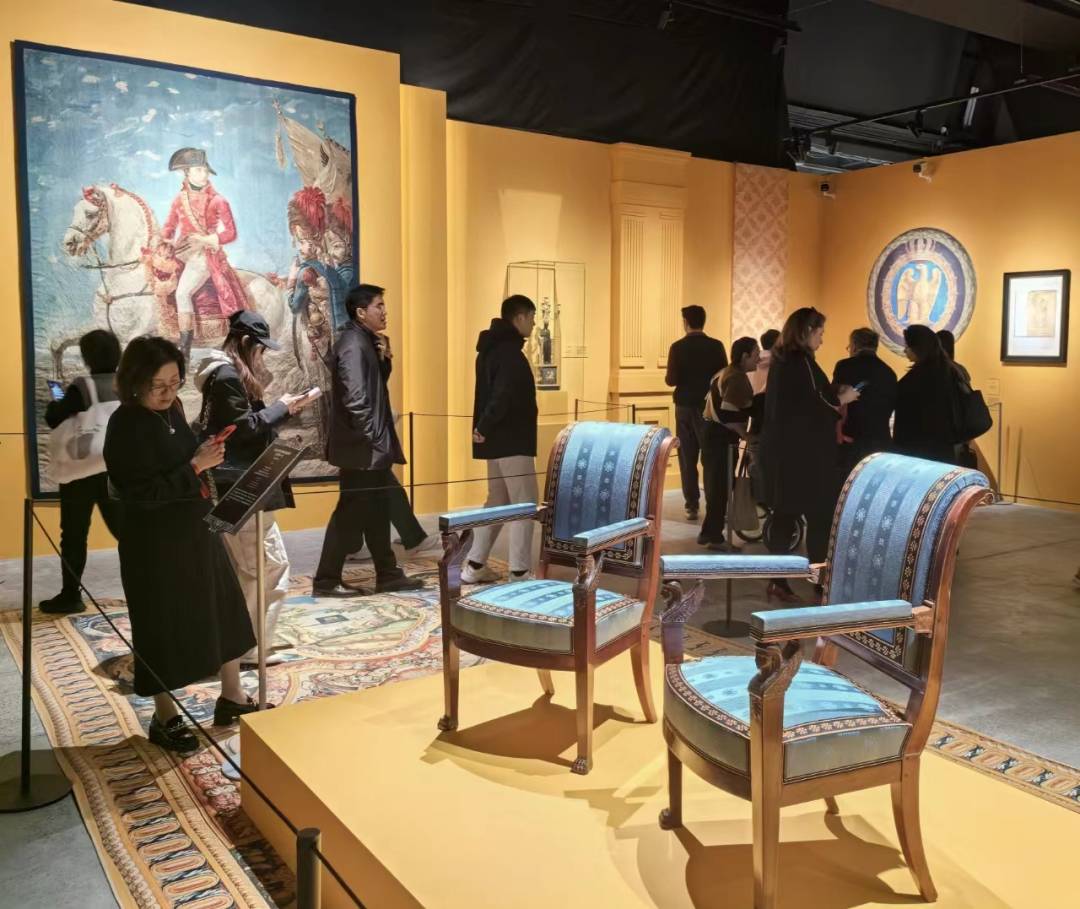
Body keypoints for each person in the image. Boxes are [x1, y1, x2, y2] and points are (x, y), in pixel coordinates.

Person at [103, 336, 261, 754]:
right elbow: (139, 493)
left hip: (195, 529)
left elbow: (184, 458)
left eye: (175, 383)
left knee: (224, 608)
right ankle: (164, 716)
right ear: (135, 381)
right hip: (153, 543)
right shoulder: (125, 424)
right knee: (162, 625)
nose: (168, 393)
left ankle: (232, 696)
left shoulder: (171, 410)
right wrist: (195, 465)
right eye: (158, 385)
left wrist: (204, 452)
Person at [195, 311, 318, 667]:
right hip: (242, 487)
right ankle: (248, 646)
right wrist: (282, 407)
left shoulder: (223, 375)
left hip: (241, 486)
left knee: (258, 567)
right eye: (260, 348)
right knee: (263, 568)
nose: (262, 356)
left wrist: (284, 409)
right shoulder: (227, 376)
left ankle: (250, 641)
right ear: (247, 342)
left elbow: (244, 426)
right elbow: (242, 429)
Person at [313, 284, 424, 596]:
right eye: (379, 306)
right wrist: (374, 437)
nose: (384, 311)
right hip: (361, 448)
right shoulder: (353, 344)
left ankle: (388, 574)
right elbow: (356, 397)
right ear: (361, 312)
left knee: (376, 509)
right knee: (350, 512)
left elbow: (373, 386)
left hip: (366, 447)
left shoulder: (364, 341)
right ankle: (326, 580)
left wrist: (384, 360)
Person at [760, 308, 859, 603]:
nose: (822, 340)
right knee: (819, 517)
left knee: (785, 516)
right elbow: (817, 403)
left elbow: (805, 398)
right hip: (805, 456)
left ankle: (779, 581)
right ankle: (820, 582)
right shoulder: (800, 361)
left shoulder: (783, 361)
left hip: (785, 453)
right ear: (806, 332)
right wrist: (843, 398)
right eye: (820, 333)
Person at [40, 330, 124, 614]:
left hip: (82, 472)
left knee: (74, 534)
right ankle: (148, 581)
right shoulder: (126, 384)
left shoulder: (82, 387)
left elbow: (54, 418)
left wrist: (56, 401)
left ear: (88, 356)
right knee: (125, 530)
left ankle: (70, 595)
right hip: (116, 469)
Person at [463, 295, 540, 584]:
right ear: (520, 317)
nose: (534, 323)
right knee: (524, 503)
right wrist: (485, 425)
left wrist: (483, 428)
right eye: (532, 317)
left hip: (495, 438)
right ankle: (519, 571)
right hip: (512, 439)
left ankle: (474, 565)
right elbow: (502, 395)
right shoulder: (510, 353)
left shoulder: (489, 348)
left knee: (497, 500)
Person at [161, 147, 247, 362]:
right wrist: (164, 240)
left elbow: (231, 233)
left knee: (182, 293)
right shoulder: (179, 199)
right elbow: (169, 226)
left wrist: (206, 240)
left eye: (205, 170)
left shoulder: (218, 200)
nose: (204, 174)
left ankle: (184, 350)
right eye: (198, 170)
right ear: (187, 173)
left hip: (205, 256)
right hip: (182, 253)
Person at [665, 305, 728, 520]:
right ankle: (713, 503)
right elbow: (723, 375)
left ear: (686, 322)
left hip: (684, 406)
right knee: (710, 456)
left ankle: (691, 504)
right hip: (708, 406)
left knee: (687, 457)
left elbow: (671, 380)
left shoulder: (677, 347)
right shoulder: (716, 346)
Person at [699, 336, 760, 549]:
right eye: (756, 354)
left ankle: (708, 532)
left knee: (716, 486)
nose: (759, 358)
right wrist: (746, 434)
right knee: (721, 488)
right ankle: (715, 537)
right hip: (720, 438)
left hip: (711, 434)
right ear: (744, 356)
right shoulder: (735, 378)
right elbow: (727, 414)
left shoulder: (725, 372)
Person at [832, 327, 898, 478]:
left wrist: (837, 432)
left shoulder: (845, 366)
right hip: (881, 441)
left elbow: (837, 401)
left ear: (854, 345)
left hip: (852, 439)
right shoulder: (889, 372)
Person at [894, 324, 961, 465]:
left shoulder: (916, 378)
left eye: (907, 346)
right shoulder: (949, 371)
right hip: (943, 448)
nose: (905, 350)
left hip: (918, 452)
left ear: (918, 347)